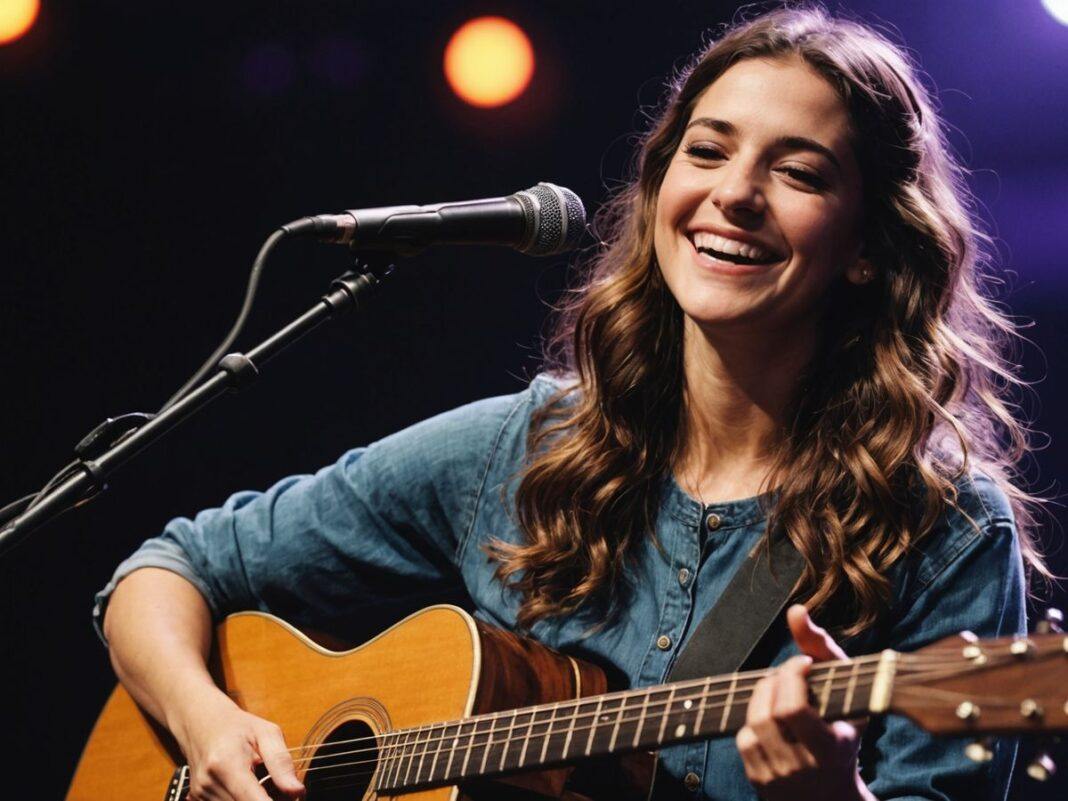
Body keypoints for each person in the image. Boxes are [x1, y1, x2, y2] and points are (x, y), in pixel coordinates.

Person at [95, 5, 1046, 801]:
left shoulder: (945, 530)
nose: (736, 194)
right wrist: (207, 721)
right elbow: (164, 571)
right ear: (661, 182)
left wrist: (831, 795)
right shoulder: (523, 448)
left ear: (871, 244)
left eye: (799, 173)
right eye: (707, 151)